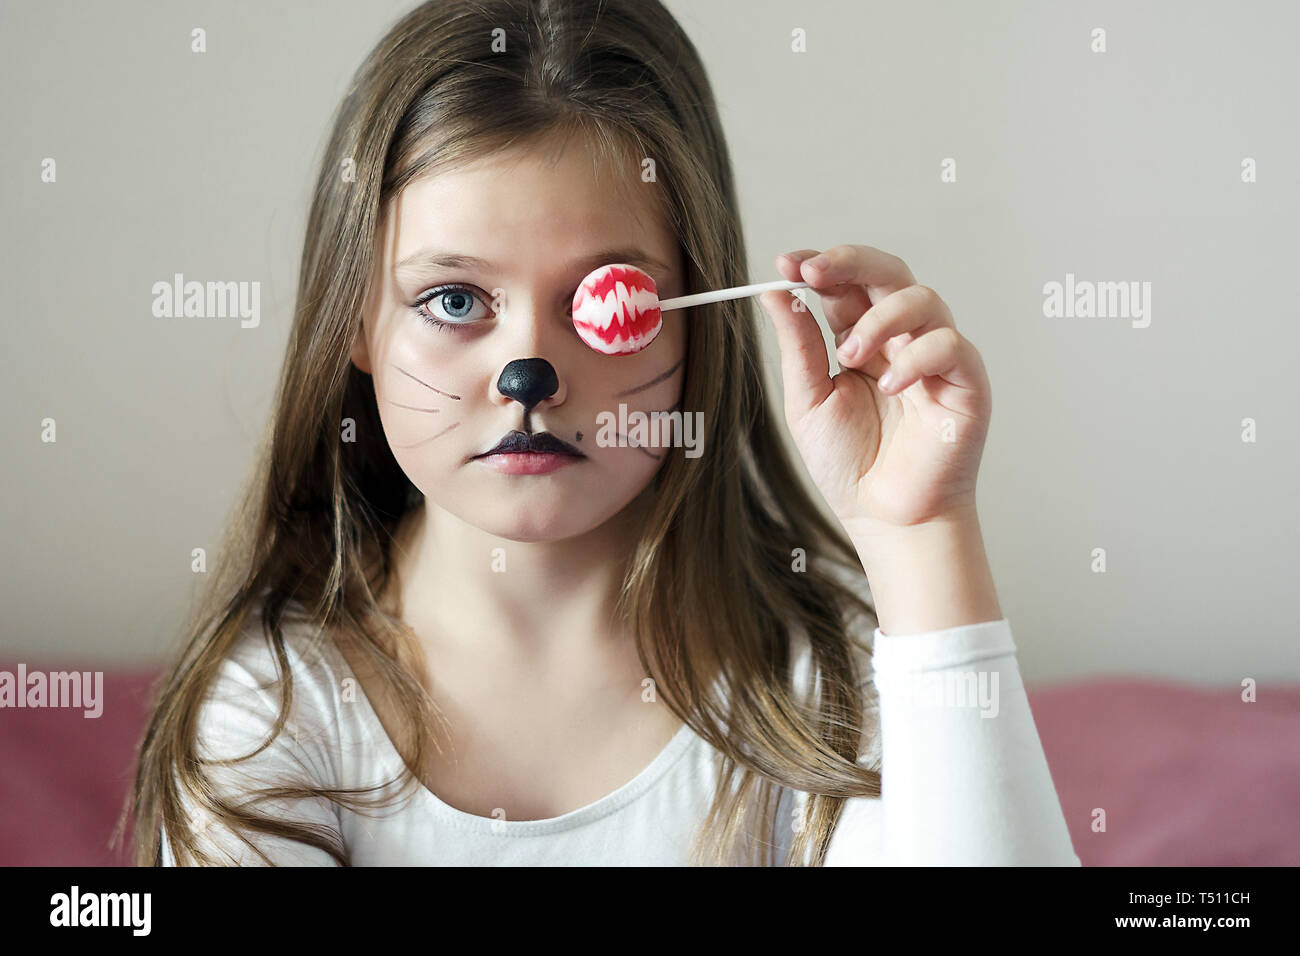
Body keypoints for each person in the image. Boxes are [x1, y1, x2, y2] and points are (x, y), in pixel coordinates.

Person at [125, 0, 1080, 866]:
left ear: (699, 318)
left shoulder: (815, 686)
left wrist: (919, 535)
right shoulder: (279, 713)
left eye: (603, 300)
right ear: (356, 326)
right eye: (454, 298)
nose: (527, 371)